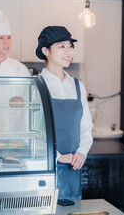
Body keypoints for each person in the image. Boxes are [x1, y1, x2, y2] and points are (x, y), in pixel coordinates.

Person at [35, 26, 93, 201]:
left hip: (73, 169)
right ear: (46, 50)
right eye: (61, 47)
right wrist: (58, 157)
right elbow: (33, 134)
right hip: (45, 169)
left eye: (70, 46)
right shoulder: (37, 85)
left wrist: (81, 153)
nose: (68, 52)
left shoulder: (77, 86)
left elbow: (86, 128)